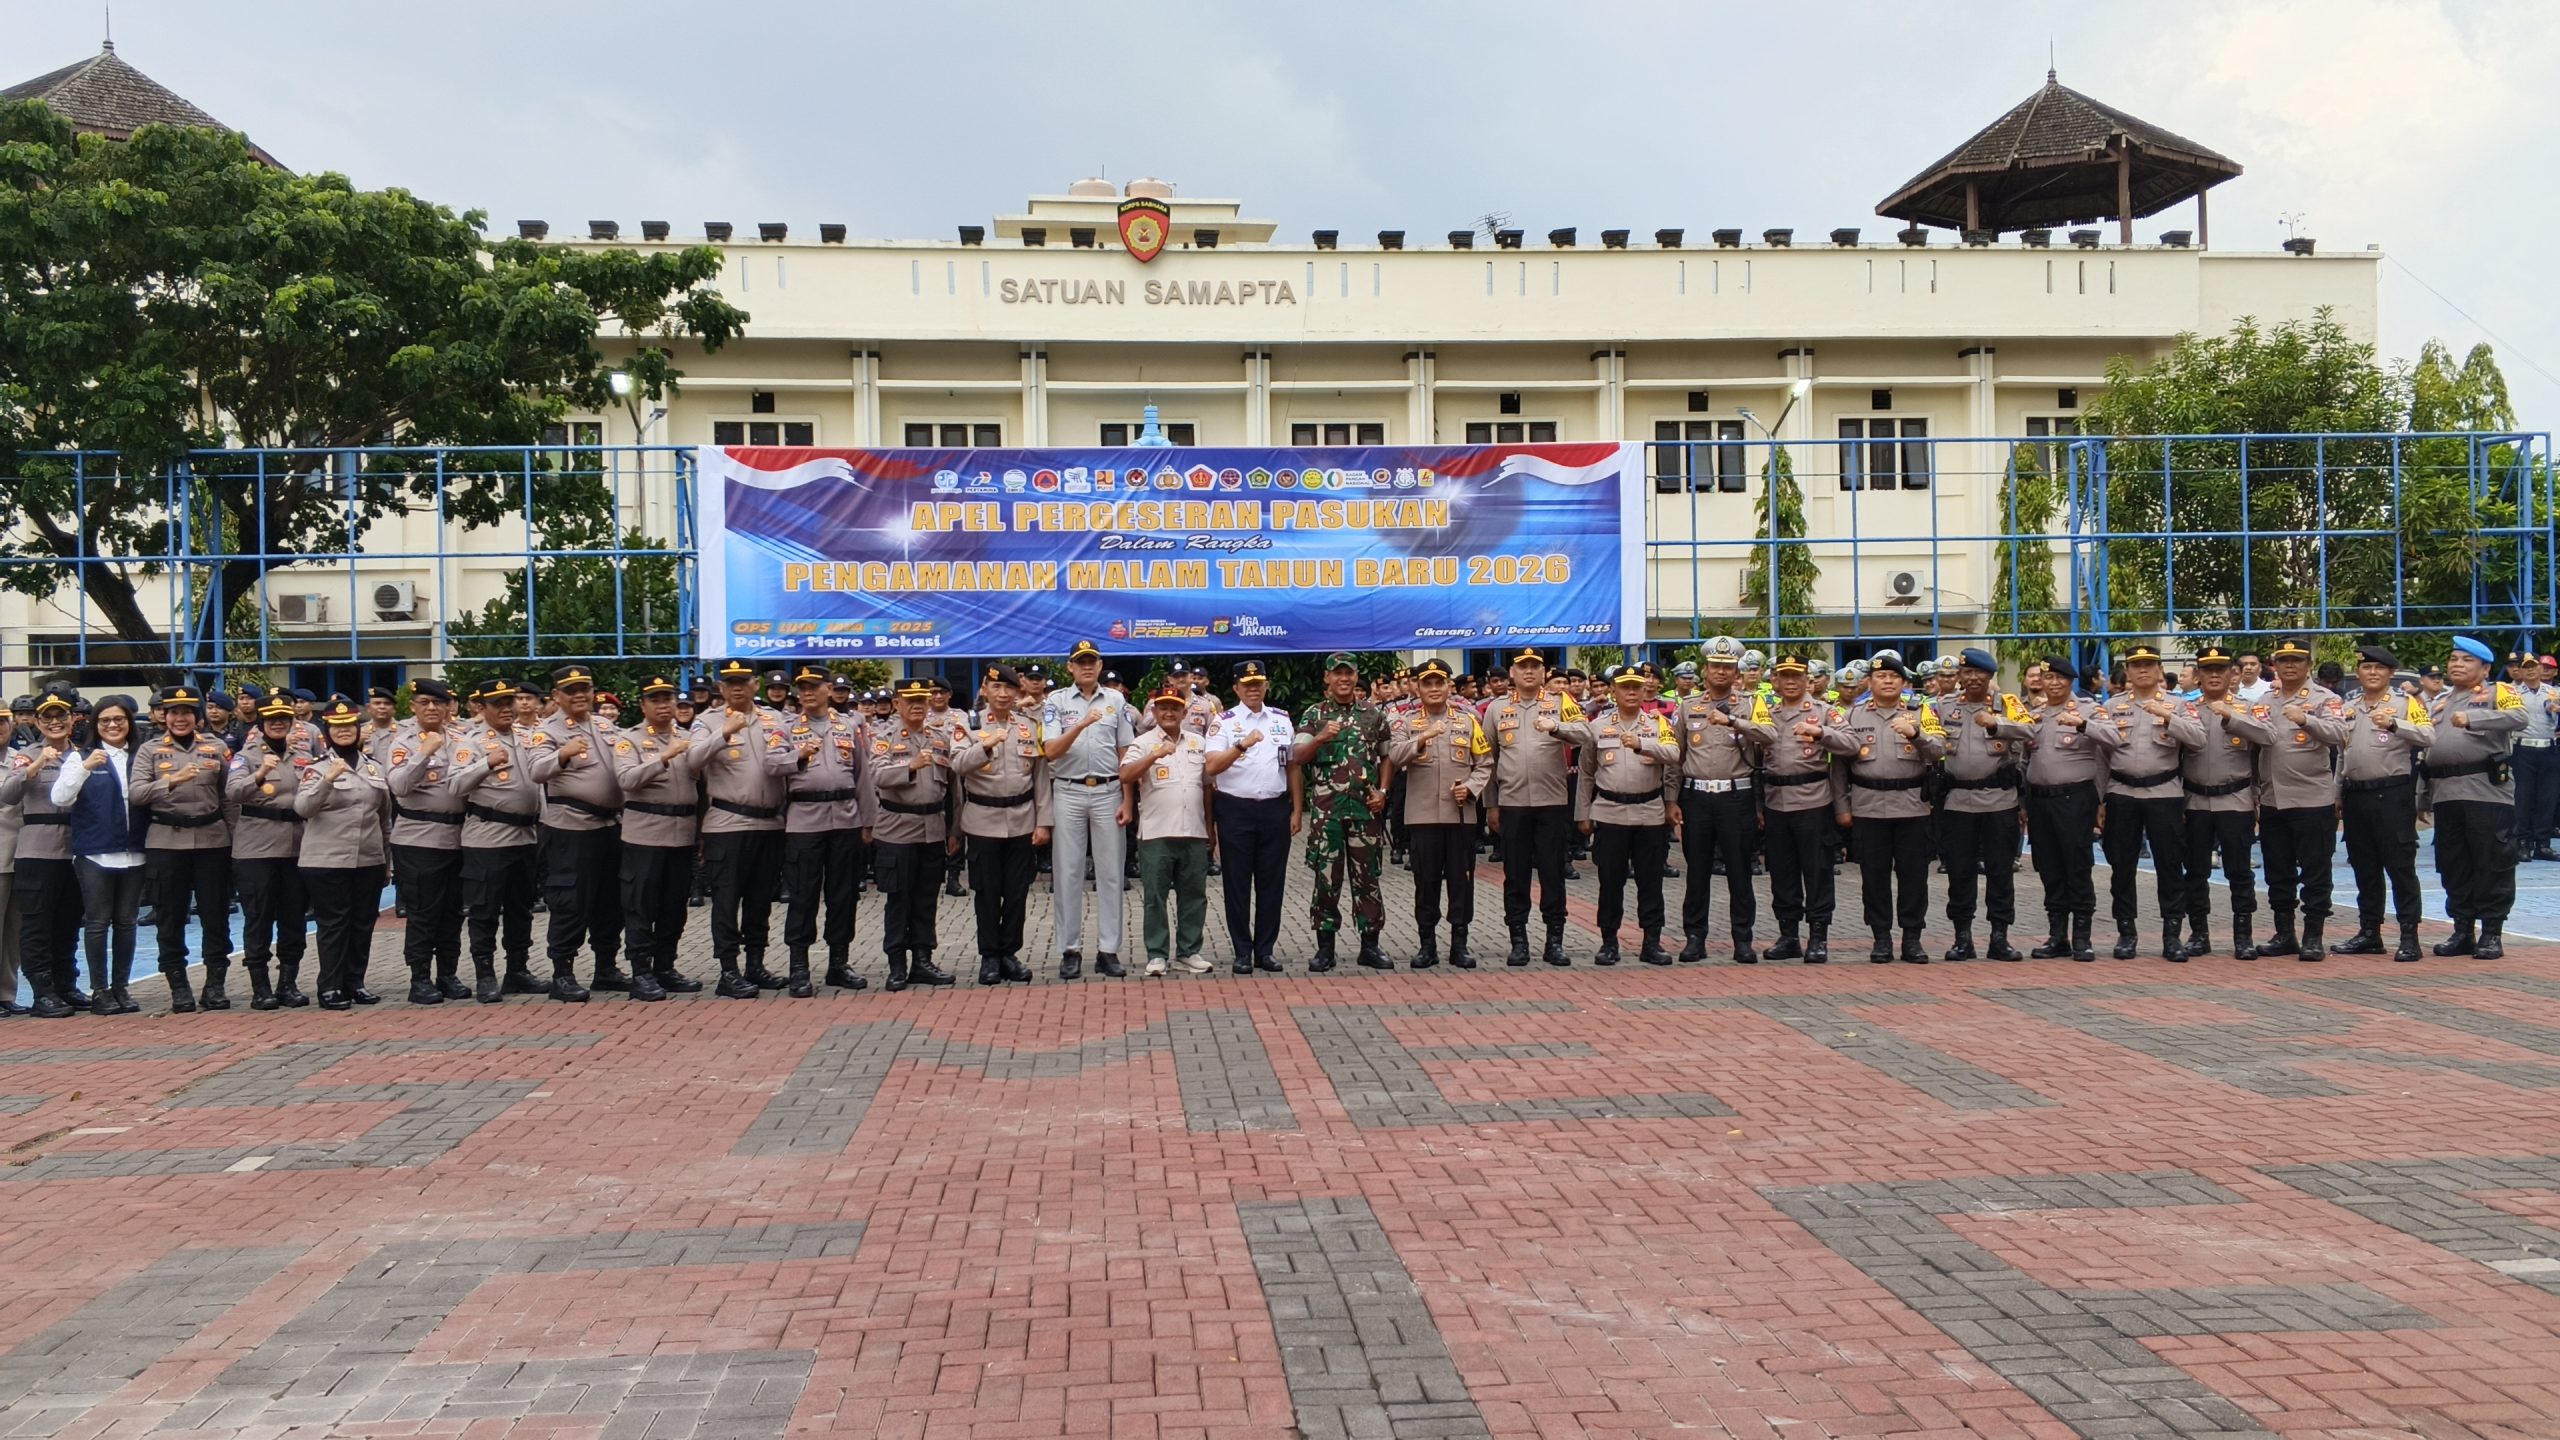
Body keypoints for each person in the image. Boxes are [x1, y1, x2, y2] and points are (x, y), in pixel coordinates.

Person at [2223, 636, 2351, 961]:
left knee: (2315, 872)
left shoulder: (2325, 698)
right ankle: (2284, 934)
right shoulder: (2264, 700)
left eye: (2297, 660)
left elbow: (2340, 734)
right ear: (2275, 665)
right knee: (2278, 872)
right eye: (2283, 660)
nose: (2290, 665)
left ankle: (2313, 936)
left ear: (2309, 664)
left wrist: (2307, 719)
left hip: (2312, 799)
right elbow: (2253, 745)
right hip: (2273, 799)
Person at [1826, 655, 1948, 963]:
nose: (1888, 681)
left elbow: (1939, 750)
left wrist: (1916, 734)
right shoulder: (1852, 715)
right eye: (1881, 677)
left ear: (1905, 682)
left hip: (1911, 806)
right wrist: (1841, 806)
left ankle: (1912, 938)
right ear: (1869, 682)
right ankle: (1881, 938)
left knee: (1914, 876)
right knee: (1873, 877)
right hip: (1867, 806)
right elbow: (1838, 766)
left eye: (1894, 677)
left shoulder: (1920, 711)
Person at [129, 684, 236, 1009]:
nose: (180, 718)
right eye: (174, 712)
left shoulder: (216, 748)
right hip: (166, 840)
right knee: (170, 917)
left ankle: (215, 985)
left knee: (216, 916)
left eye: (187, 712)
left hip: (212, 840)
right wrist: (171, 781)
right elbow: (137, 794)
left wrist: (235, 840)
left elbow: (228, 798)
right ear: (163, 717)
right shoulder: (149, 750)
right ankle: (178, 986)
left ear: (197, 716)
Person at [768, 664, 871, 995]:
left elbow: (863, 776)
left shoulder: (849, 726)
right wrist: (797, 756)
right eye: (803, 687)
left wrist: (868, 822)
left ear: (829, 689)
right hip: (805, 820)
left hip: (846, 818)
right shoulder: (786, 727)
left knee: (844, 895)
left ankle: (838, 963)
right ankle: (798, 967)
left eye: (814, 686)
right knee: (803, 895)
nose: (807, 692)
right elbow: (771, 765)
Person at [527, 662, 627, 1001]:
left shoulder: (605, 725)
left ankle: (606, 967)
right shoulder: (547, 731)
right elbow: (536, 770)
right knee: (571, 901)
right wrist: (562, 755)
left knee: (610, 900)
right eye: (571, 691)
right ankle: (563, 973)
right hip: (572, 828)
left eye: (585, 688)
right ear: (557, 696)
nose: (580, 695)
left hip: (610, 826)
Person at [1483, 649, 1589, 966]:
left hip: (1552, 804)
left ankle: (1554, 941)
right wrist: (1491, 805)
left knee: (1552, 874)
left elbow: (1585, 733)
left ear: (1544, 673)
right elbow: (1488, 760)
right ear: (1512, 673)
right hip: (1512, 804)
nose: (1529, 671)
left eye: (1535, 666)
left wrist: (1555, 727)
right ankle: (1519, 941)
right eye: (1522, 666)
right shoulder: (1497, 708)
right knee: (1515, 875)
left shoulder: (1560, 701)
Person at [1383, 658, 1491, 969]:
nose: (1433, 688)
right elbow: (1395, 755)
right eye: (1427, 683)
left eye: (1439, 683)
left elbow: (1485, 763)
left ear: (1448, 687)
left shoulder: (1468, 721)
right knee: (1426, 882)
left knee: (1461, 882)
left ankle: (1460, 944)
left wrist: (1470, 788)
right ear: (1417, 688)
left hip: (1460, 816)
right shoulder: (1404, 722)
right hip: (1423, 817)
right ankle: (1427, 945)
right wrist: (1423, 737)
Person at [693, 659, 789, 999]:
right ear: (720, 688)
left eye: (743, 681)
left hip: (770, 823)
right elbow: (692, 761)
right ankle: (728, 970)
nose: (737, 687)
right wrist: (724, 733)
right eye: (730, 682)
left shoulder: (774, 719)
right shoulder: (707, 721)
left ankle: (755, 964)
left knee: (760, 899)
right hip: (728, 824)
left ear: (755, 685)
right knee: (726, 900)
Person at [2101, 645, 2205, 960]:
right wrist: (2100, 799)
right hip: (2122, 792)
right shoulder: (2112, 706)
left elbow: (2198, 740)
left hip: (2164, 793)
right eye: (2136, 665)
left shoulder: (2179, 704)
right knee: (2122, 866)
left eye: (2149, 664)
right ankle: (2126, 933)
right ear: (2127, 672)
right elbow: (2100, 756)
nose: (2143, 670)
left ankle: (2172, 935)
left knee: (2169, 865)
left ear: (2159, 669)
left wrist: (2168, 717)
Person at [2427, 636, 2528, 958]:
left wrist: (2474, 718)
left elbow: (2520, 718)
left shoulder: (2499, 691)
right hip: (2445, 791)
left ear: (2485, 669)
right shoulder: (2440, 700)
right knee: (2453, 864)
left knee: (2492, 862)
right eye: (2454, 659)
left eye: (2467, 660)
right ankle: (2462, 930)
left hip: (2486, 791)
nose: (2457, 664)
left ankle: (2491, 932)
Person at [610, 674, 707, 1001]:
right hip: (645, 835)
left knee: (674, 905)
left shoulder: (687, 738)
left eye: (668, 699)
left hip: (682, 834)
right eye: (655, 699)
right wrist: (663, 757)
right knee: (641, 905)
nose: (663, 705)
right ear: (643, 705)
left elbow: (702, 788)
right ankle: (641, 971)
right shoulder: (629, 739)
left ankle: (666, 966)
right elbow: (626, 779)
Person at [1041, 639, 1135, 979]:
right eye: (1080, 662)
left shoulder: (1116, 700)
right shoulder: (1056, 701)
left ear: (1100, 665)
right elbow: (1051, 750)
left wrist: (1128, 798)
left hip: (1109, 790)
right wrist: (1080, 725)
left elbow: (1126, 752)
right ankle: (1070, 949)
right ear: (1070, 666)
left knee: (1111, 873)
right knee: (1068, 872)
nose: (1086, 667)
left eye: (1091, 661)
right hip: (1069, 790)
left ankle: (1108, 950)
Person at [1672, 637, 1769, 963]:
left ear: (1736, 672)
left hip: (1736, 797)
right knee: (1697, 872)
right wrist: (1671, 800)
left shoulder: (1752, 704)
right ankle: (1694, 937)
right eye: (1715, 666)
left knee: (1740, 872)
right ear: (1705, 670)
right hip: (1696, 797)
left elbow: (1770, 736)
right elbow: (1675, 758)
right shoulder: (1688, 706)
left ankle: (1742, 939)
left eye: (1728, 667)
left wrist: (1734, 721)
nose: (1721, 672)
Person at [2334, 645, 2433, 962]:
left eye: (2379, 668)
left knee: (2400, 867)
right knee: (2364, 867)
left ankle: (2409, 936)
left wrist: (2394, 725)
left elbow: (2428, 735)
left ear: (2390, 673)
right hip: (2356, 795)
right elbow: (2343, 754)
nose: (2372, 673)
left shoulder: (2406, 703)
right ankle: (2369, 932)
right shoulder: (2349, 706)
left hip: (2391, 795)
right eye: (2366, 668)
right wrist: (2337, 794)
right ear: (2358, 673)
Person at [1294, 653, 1392, 971]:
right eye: (1337, 673)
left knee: (1368, 880)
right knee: (1326, 880)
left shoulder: (1373, 714)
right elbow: (1298, 755)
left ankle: (1370, 946)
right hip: (1327, 815)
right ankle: (1325, 949)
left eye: (1349, 673)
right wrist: (1321, 737)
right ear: (1327, 678)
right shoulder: (1314, 715)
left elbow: (1386, 756)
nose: (1344, 679)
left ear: (1356, 676)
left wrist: (1383, 792)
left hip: (1365, 812)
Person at [1935, 649, 2034, 961]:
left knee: (2000, 872)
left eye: (1980, 672)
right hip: (1958, 803)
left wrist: (1997, 725)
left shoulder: (2008, 704)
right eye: (1967, 672)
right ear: (1959, 676)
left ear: (1990, 676)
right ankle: (1962, 938)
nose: (1973, 678)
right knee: (1959, 873)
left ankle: (1999, 937)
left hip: (1998, 802)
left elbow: (2030, 729)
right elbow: (1927, 737)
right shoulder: (1942, 706)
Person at [952, 665, 1048, 985]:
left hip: (1022, 820)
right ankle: (990, 956)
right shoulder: (969, 724)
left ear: (1018, 691)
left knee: (1017, 892)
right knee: (987, 893)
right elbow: (957, 764)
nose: (1003, 694)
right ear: (985, 690)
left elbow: (1040, 778)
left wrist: (1044, 822)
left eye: (1009, 688)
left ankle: (1009, 953)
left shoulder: (1028, 725)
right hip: (983, 821)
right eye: (996, 687)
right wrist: (985, 745)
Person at [449, 680, 545, 1001]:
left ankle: (517, 970)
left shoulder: (527, 737)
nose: (506, 708)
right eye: (497, 704)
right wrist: (485, 764)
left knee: (521, 908)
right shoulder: (471, 742)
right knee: (485, 910)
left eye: (509, 702)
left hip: (525, 836)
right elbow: (455, 786)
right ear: (482, 707)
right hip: (488, 838)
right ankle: (485, 975)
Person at [1577, 664, 1678, 966]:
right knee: (1610, 882)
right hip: (1610, 813)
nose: (1631, 692)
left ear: (1645, 690)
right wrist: (1583, 813)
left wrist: (1643, 744)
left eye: (1636, 686)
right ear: (1613, 691)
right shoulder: (1597, 726)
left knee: (1651, 882)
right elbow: (1586, 772)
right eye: (1625, 687)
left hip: (1649, 813)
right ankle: (1609, 942)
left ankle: (1652, 942)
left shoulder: (1658, 724)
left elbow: (1674, 755)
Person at [54, 694, 147, 1014]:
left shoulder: (141, 756)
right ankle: (100, 990)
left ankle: (121, 987)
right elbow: (60, 797)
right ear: (95, 724)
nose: (112, 725)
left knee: (127, 922)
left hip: (135, 852)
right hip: (95, 854)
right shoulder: (80, 757)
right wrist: (84, 768)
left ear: (129, 723)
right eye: (105, 720)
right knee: (97, 923)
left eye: (119, 719)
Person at [381, 678, 472, 1004]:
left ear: (449, 707)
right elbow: (399, 785)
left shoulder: (462, 739)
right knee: (423, 912)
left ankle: (447, 974)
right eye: (424, 702)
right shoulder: (403, 742)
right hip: (419, 838)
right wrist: (424, 752)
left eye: (439, 702)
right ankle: (419, 978)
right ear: (413, 707)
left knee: (452, 912)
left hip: (458, 837)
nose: (432, 708)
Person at [295, 698, 389, 1009]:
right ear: (327, 732)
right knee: (334, 925)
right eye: (336, 726)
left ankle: (355, 982)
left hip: (368, 858)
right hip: (327, 859)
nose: (344, 731)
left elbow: (384, 818)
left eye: (349, 725)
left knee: (362, 923)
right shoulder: (316, 768)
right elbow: (303, 808)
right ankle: (330, 986)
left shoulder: (374, 767)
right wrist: (328, 780)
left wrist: (387, 861)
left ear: (359, 729)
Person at [1759, 658, 1855, 962]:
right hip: (1775, 801)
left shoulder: (1824, 711)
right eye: (1784, 676)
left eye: (1796, 676)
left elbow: (1852, 743)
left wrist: (1821, 732)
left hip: (1813, 801)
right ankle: (1788, 936)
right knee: (1782, 871)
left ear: (1807, 681)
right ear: (1774, 680)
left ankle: (1818, 936)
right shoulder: (1765, 713)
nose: (1790, 682)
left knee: (1817, 871)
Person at [2023, 656, 2118, 961]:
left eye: (2059, 678)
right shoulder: (2035, 715)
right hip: (2040, 800)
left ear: (2070, 681)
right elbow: (2025, 758)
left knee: (2076, 865)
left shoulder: (2088, 709)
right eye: (2047, 678)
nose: (2053, 683)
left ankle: (2081, 937)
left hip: (2074, 799)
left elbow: (2115, 738)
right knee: (2048, 866)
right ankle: (2057, 936)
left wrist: (2084, 725)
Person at [867, 678, 956, 989]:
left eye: (922, 700)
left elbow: (952, 787)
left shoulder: (940, 737)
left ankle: (922, 960)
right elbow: (876, 774)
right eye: (910, 700)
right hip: (897, 829)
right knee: (899, 899)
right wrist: (911, 767)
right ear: (897, 704)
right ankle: (896, 964)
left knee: (926, 899)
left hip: (932, 828)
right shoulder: (884, 738)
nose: (917, 706)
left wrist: (954, 829)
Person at [1121, 681, 1215, 976]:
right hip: (1156, 833)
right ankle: (1157, 954)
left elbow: (1207, 787)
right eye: (1163, 708)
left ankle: (1189, 951)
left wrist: (1210, 828)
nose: (1169, 713)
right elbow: (1125, 774)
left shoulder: (1199, 743)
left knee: (1194, 895)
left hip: (1194, 831)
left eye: (1175, 708)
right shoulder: (1142, 742)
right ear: (1154, 711)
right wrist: (1154, 755)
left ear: (1184, 712)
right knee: (1155, 897)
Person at [1206, 660, 1293, 974]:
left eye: (1258, 683)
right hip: (1236, 810)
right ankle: (1242, 951)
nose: (1253, 689)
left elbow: (1292, 766)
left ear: (1266, 685)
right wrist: (1241, 745)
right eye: (1247, 685)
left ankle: (1265, 950)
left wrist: (1297, 809)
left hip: (1274, 809)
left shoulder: (1282, 719)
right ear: (1236, 688)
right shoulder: (1223, 722)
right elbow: (1212, 767)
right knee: (1237, 884)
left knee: (1272, 884)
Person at [1, 689, 83, 1017]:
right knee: (36, 924)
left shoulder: (83, 754)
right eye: (47, 717)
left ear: (72, 719)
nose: (54, 722)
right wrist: (35, 766)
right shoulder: (27, 756)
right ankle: (43, 990)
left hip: (76, 849)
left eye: (61, 715)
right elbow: (7, 794)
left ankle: (66, 984)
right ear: (36, 722)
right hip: (37, 849)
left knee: (69, 922)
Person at [227, 694, 311, 1009]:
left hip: (296, 845)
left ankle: (288, 983)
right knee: (259, 918)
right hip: (257, 848)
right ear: (261, 723)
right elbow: (234, 792)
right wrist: (260, 773)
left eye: (284, 719)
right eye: (272, 719)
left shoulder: (303, 756)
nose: (278, 724)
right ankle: (260, 987)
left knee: (293, 918)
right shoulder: (245, 756)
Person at [2177, 647, 2259, 960]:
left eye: (2220, 670)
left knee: (2239, 871)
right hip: (2195, 800)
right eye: (2207, 670)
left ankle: (2243, 936)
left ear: (2231, 674)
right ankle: (2199, 934)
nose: (2214, 676)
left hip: (2235, 799)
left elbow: (2267, 739)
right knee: (2195, 871)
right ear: (2198, 675)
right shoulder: (2185, 709)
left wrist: (2232, 717)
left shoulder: (2247, 708)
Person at [2508, 650, 2560, 861]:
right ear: (2520, 671)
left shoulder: (2553, 692)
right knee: (2523, 797)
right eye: (2525, 667)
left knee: (2547, 797)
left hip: (2549, 748)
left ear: (2540, 668)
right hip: (2523, 748)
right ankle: (2523, 842)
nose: (2530, 671)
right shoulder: (2513, 694)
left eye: (2534, 666)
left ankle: (2543, 843)